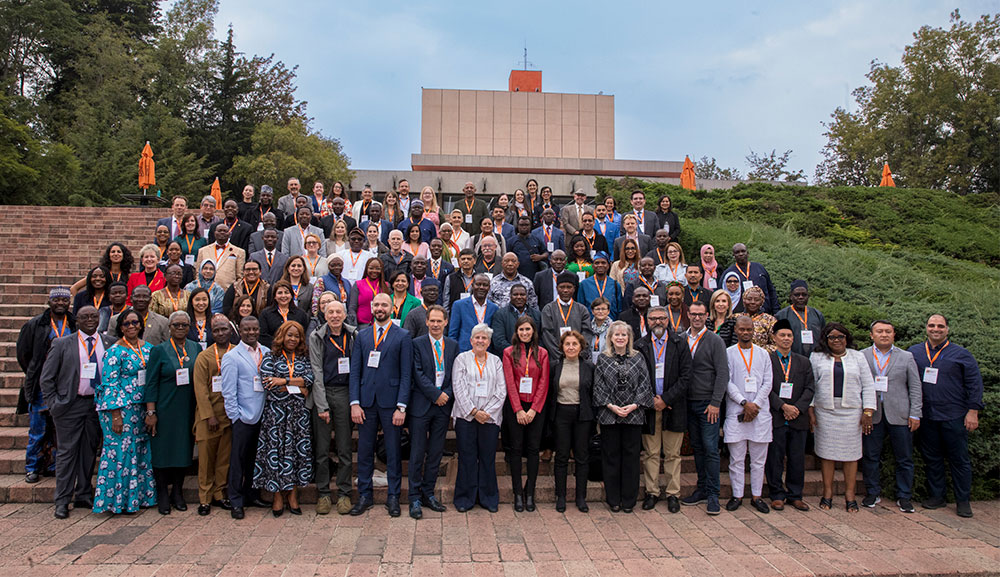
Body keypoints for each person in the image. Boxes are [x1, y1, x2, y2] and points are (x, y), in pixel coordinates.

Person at [39, 305, 112, 518]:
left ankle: (83, 494)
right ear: (76, 320)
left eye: (93, 316)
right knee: (66, 454)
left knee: (89, 452)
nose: (90, 319)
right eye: (84, 317)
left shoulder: (109, 342)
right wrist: (54, 404)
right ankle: (62, 500)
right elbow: (47, 378)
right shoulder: (62, 343)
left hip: (96, 406)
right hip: (69, 405)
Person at [908, 314, 983, 518]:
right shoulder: (914, 352)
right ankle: (937, 496)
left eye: (940, 326)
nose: (936, 329)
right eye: (932, 325)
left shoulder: (961, 354)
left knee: (959, 460)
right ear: (926, 328)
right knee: (932, 458)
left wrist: (973, 411)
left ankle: (963, 501)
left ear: (947, 329)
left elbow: (974, 384)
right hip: (927, 416)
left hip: (954, 415)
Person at [349, 293, 412, 517]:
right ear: (372, 307)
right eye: (376, 304)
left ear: (391, 308)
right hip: (366, 402)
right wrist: (354, 403)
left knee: (393, 450)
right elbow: (355, 372)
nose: (380, 308)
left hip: (391, 402)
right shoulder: (362, 336)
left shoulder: (403, 336)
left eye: (384, 304)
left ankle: (393, 496)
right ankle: (364, 495)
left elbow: (406, 374)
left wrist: (401, 406)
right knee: (365, 450)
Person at [92, 309, 156, 514]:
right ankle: (117, 502)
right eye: (126, 323)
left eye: (135, 322)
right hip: (119, 409)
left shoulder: (148, 348)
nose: (131, 326)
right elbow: (110, 384)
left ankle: (138, 499)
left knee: (139, 452)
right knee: (121, 454)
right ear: (120, 327)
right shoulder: (114, 351)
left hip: (141, 409)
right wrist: (116, 415)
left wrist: (149, 411)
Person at [809, 322, 876, 513]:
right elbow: (811, 384)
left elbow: (868, 385)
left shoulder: (858, 357)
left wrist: (868, 411)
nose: (836, 340)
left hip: (851, 412)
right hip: (826, 411)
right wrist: (811, 409)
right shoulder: (817, 357)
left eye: (840, 337)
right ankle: (827, 493)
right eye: (832, 337)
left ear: (847, 338)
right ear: (825, 339)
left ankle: (850, 495)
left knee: (851, 455)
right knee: (827, 454)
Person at [861, 319, 921, 513]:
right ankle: (872, 492)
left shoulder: (906, 357)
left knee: (904, 457)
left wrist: (915, 414)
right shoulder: (862, 356)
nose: (884, 335)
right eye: (879, 331)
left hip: (900, 414)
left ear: (894, 335)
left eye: (888, 331)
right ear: (872, 335)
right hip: (872, 414)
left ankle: (904, 496)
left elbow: (915, 387)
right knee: (871, 455)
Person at [254, 320, 313, 517]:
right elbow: (268, 383)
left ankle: (293, 494)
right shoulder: (271, 356)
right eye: (289, 335)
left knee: (296, 454)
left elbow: (310, 379)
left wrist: (285, 381)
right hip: (276, 416)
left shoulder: (303, 358)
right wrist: (297, 386)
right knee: (276, 455)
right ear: (281, 336)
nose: (293, 339)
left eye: (296, 336)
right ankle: (277, 495)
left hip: (298, 416)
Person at [593, 321, 654, 512]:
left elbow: (645, 384)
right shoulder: (603, 359)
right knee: (611, 457)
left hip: (633, 415)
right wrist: (612, 406)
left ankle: (629, 500)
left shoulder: (638, 358)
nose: (620, 338)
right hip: (609, 416)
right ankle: (614, 499)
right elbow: (598, 386)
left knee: (631, 458)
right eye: (616, 335)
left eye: (624, 335)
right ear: (610, 338)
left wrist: (634, 405)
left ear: (629, 338)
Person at [143, 311, 199, 514]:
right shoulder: (159, 350)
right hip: (164, 408)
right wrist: (151, 412)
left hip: (187, 408)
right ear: (169, 327)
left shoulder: (195, 348)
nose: (181, 328)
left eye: (184, 325)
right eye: (176, 325)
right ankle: (162, 493)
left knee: (183, 451)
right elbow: (150, 383)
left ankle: (177, 491)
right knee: (162, 451)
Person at [637, 306, 691, 513]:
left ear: (668, 320)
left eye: (661, 318)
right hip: (649, 407)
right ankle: (652, 492)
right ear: (647, 321)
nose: (657, 322)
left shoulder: (680, 343)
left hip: (673, 406)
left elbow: (686, 376)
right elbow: (637, 376)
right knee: (650, 453)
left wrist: (666, 399)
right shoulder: (640, 345)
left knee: (672, 453)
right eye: (653, 319)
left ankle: (672, 494)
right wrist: (650, 399)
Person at [679, 301, 730, 515]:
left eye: (701, 314)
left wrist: (716, 402)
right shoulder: (681, 338)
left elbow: (723, 374)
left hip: (708, 404)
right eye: (693, 314)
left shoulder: (714, 340)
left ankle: (713, 494)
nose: (697, 318)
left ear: (706, 315)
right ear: (688, 315)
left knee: (710, 448)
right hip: (687, 402)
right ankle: (700, 489)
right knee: (697, 447)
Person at [408, 305, 458, 518]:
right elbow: (417, 373)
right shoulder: (416, 344)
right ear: (426, 322)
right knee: (418, 452)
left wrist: (445, 393)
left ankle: (428, 493)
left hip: (443, 406)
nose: (436, 325)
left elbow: (455, 373)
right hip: (422, 405)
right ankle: (414, 497)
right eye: (432, 321)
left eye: (440, 321)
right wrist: (434, 394)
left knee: (436, 452)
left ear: (446, 322)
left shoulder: (453, 345)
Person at [451, 323, 506, 512]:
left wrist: (487, 413)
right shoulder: (461, 359)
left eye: (484, 338)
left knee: (487, 458)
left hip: (490, 419)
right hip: (466, 417)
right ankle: (465, 498)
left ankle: (488, 498)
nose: (480, 341)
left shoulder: (496, 361)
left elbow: (501, 390)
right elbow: (458, 388)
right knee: (467, 458)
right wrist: (474, 412)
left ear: (489, 342)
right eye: (477, 337)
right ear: (471, 340)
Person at [308, 300, 356, 515]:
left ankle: (345, 493)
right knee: (322, 448)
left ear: (345, 314)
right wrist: (321, 404)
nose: (335, 315)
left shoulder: (354, 335)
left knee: (345, 447)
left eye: (338, 312)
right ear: (324, 315)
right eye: (330, 312)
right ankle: (324, 493)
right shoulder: (317, 337)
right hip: (324, 391)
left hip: (346, 393)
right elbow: (316, 372)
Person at [220, 316, 270, 519]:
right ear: (239, 331)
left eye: (255, 329)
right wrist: (236, 417)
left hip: (263, 415)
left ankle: (252, 494)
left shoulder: (266, 352)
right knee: (238, 461)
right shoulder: (232, 357)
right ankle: (236, 500)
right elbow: (228, 391)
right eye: (247, 329)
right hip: (244, 416)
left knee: (255, 459)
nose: (251, 333)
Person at [723, 316, 774, 513]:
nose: (746, 332)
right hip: (737, 409)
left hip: (759, 412)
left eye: (749, 329)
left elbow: (768, 382)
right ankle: (737, 495)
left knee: (758, 459)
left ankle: (756, 495)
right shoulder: (728, 353)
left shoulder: (763, 354)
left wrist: (755, 405)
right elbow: (726, 381)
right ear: (736, 330)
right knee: (736, 458)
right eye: (742, 329)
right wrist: (744, 403)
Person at [765, 319, 815, 512]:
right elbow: (765, 387)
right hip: (777, 416)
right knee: (775, 457)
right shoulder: (768, 360)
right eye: (782, 335)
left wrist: (797, 408)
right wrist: (782, 406)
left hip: (798, 417)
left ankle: (795, 495)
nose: (786, 339)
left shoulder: (803, 361)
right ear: (774, 338)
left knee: (796, 458)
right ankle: (777, 494)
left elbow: (810, 388)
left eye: (789, 336)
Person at [500, 317, 550, 512]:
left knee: (533, 449)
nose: (525, 333)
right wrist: (519, 409)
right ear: (516, 331)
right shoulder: (508, 352)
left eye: (528, 329)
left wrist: (533, 410)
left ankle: (530, 491)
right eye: (521, 329)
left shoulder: (543, 353)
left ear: (533, 331)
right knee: (515, 449)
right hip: (516, 407)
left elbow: (544, 382)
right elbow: (509, 382)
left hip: (536, 408)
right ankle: (517, 493)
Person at [190, 315, 235, 515]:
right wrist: (209, 416)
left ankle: (219, 494)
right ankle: (204, 498)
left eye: (224, 329)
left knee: (224, 459)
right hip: (209, 416)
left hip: (230, 415)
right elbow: (200, 389)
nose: (220, 333)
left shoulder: (237, 353)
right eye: (216, 330)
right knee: (206, 459)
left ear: (231, 331)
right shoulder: (205, 357)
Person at [548, 331, 594, 512]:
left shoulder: (589, 367)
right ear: (562, 347)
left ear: (581, 347)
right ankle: (560, 496)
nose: (571, 347)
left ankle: (581, 496)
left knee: (582, 457)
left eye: (575, 344)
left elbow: (592, 393)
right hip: (561, 414)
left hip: (583, 414)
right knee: (561, 456)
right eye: (567, 344)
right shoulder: (555, 366)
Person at [540, 272, 594, 360]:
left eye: (569, 287)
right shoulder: (548, 309)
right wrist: (560, 355)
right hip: (556, 360)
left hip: (578, 358)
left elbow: (587, 333)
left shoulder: (581, 309)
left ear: (574, 289)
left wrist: (578, 353)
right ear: (557, 288)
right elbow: (547, 334)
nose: (565, 290)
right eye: (562, 287)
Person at [722, 243, 779, 314]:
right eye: (737, 252)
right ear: (733, 256)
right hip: (740, 314)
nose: (741, 254)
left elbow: (771, 290)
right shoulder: (729, 273)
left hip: (763, 312)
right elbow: (722, 294)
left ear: (747, 253)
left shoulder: (759, 268)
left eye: (743, 251)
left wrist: (776, 311)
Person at [775, 280, 826, 356]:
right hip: (791, 358)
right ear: (791, 296)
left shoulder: (817, 314)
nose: (801, 297)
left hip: (815, 357)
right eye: (797, 295)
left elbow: (824, 337)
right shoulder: (782, 316)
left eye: (804, 295)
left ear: (808, 296)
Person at [449, 274, 498, 353]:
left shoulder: (494, 308)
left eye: (485, 285)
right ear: (472, 286)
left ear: (489, 288)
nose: (481, 287)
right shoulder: (459, 305)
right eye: (478, 284)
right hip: (464, 352)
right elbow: (453, 334)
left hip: (486, 353)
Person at [491, 284, 541, 353]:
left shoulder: (537, 314)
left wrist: (531, 353)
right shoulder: (500, 314)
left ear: (527, 296)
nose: (519, 297)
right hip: (509, 357)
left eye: (522, 294)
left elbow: (540, 339)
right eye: (515, 294)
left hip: (532, 357)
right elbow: (499, 341)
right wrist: (517, 353)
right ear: (510, 296)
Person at [259, 281, 309, 348]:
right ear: (274, 296)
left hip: (295, 352)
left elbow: (303, 335)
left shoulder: (301, 314)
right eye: (280, 293)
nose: (283, 296)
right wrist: (280, 344)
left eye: (286, 292)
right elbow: (263, 336)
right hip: (273, 351)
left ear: (291, 295)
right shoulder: (266, 314)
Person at [196, 223, 246, 290]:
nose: (222, 233)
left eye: (225, 231)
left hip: (227, 291)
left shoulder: (239, 252)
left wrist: (235, 290)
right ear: (215, 233)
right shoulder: (203, 251)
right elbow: (198, 273)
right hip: (205, 291)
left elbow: (240, 276)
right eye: (219, 231)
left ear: (229, 234)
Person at [578, 252, 621, 320]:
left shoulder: (615, 285)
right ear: (593, 266)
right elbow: (581, 308)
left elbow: (619, 309)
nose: (600, 265)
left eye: (603, 263)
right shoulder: (584, 284)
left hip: (611, 325)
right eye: (597, 263)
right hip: (590, 325)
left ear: (608, 265)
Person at [346, 257, 387, 327]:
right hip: (362, 325)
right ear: (366, 269)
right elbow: (352, 307)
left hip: (381, 325)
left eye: (377, 268)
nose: (374, 271)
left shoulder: (386, 286)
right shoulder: (358, 284)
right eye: (371, 268)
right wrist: (354, 326)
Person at [737, 286, 776, 351]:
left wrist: (757, 351)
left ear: (762, 301)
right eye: (749, 299)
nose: (752, 302)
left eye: (757, 300)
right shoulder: (736, 318)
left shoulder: (770, 320)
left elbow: (775, 344)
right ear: (744, 300)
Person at [589, 298, 613, 363]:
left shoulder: (613, 328)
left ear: (608, 311)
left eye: (603, 309)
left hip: (608, 363)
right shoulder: (588, 327)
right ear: (592, 311)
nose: (600, 311)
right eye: (597, 309)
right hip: (590, 363)